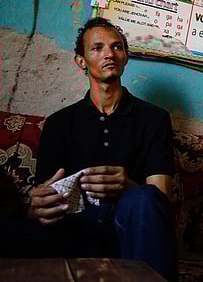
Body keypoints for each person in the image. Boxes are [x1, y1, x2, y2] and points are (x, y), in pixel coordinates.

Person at [0, 17, 178, 281]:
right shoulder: (59, 123)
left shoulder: (154, 118)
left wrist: (127, 186)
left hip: (129, 228)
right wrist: (35, 205)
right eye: (97, 48)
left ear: (126, 57)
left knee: (145, 198)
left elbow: (160, 199)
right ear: (81, 61)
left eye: (117, 47)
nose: (109, 53)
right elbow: (48, 194)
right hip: (73, 228)